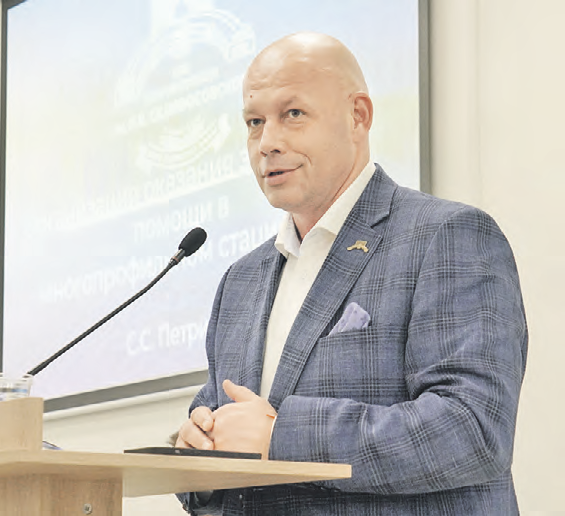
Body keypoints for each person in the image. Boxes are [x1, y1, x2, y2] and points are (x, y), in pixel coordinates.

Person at [176, 32, 527, 515]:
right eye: (255, 122)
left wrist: (282, 436)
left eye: (292, 114)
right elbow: (225, 433)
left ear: (358, 116)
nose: (268, 143)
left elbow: (472, 429)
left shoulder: (446, 236)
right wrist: (198, 454)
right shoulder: (241, 281)